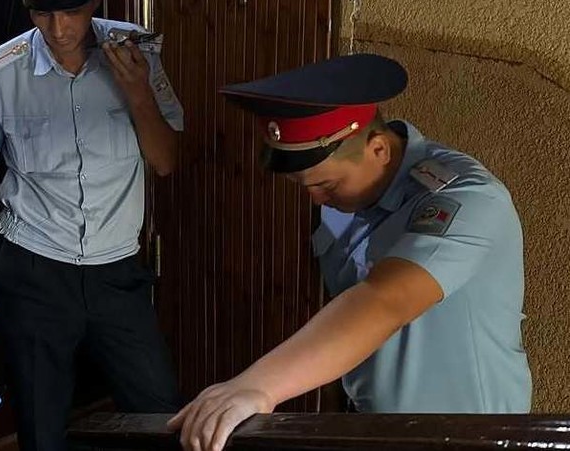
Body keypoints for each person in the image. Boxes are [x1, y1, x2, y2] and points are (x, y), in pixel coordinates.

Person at [169, 54, 532, 450]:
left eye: (326, 185)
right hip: (378, 430)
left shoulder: (466, 199)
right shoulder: (346, 200)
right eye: (304, 185)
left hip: (467, 435)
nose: (315, 199)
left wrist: (257, 385)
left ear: (378, 149)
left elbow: (386, 298)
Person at [0, 0, 185, 451]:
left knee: (159, 413)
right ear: (26, 1)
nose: (59, 29)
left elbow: (166, 161)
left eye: (73, 11)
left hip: (116, 270)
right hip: (33, 268)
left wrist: (138, 93)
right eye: (43, 12)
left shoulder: (137, 53)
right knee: (41, 427)